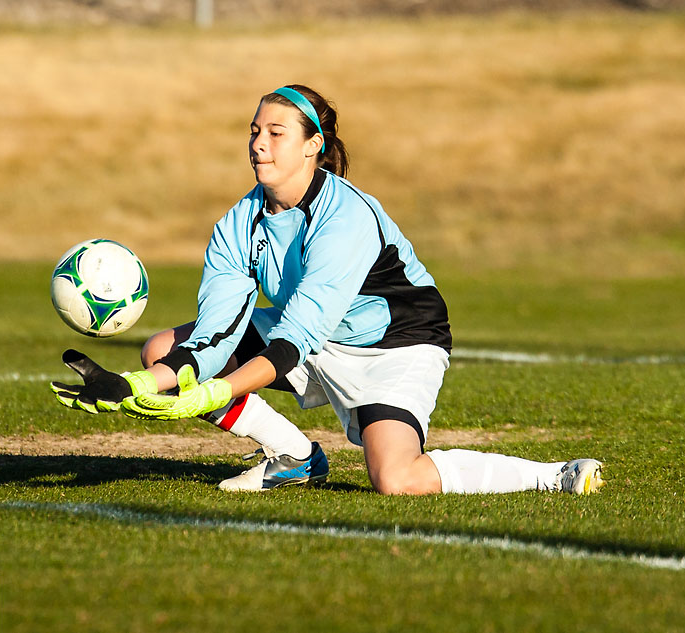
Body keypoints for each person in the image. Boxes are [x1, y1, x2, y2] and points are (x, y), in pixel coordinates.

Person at [51, 84, 605, 496]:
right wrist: (136, 384)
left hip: (396, 343)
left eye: (276, 133)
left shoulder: (346, 216)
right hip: (309, 336)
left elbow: (295, 335)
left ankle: (553, 475)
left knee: (395, 478)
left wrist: (214, 395)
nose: (258, 144)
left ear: (314, 144)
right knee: (163, 349)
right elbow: (217, 331)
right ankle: (294, 457)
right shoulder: (238, 224)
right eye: (253, 131)